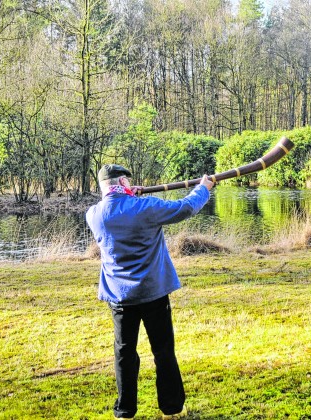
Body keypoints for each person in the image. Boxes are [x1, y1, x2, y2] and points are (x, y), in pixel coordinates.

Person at [85, 164, 214, 419]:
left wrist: (129, 196)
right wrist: (203, 188)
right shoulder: (146, 208)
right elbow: (185, 207)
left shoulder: (93, 214)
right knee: (163, 351)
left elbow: (121, 208)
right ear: (123, 183)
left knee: (124, 353)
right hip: (153, 292)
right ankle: (172, 408)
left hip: (119, 296)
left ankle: (125, 411)